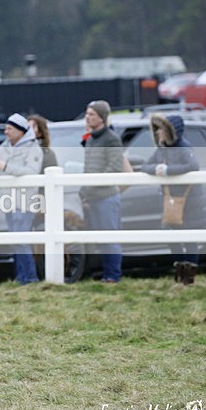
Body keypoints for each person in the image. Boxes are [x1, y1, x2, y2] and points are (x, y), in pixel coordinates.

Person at [142, 114, 206, 285]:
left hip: (190, 202)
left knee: (190, 239)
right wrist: (157, 169)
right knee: (172, 236)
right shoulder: (162, 149)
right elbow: (145, 166)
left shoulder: (184, 147)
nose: (158, 133)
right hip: (171, 202)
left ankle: (188, 277)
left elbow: (192, 166)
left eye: (161, 130)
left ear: (170, 131)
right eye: (157, 130)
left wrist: (167, 170)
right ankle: (181, 271)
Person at [0, 113, 43, 284]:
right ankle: (21, 277)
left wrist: (5, 166)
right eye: (6, 128)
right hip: (8, 201)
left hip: (24, 202)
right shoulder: (3, 147)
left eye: (9, 128)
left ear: (20, 131)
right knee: (15, 240)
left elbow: (31, 172)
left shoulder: (34, 148)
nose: (6, 132)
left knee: (21, 240)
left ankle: (30, 278)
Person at [79, 100, 124, 284]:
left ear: (102, 118)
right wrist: (84, 192)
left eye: (92, 114)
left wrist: (91, 185)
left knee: (110, 237)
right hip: (93, 197)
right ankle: (106, 273)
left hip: (107, 196)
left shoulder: (112, 139)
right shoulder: (90, 140)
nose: (87, 117)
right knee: (101, 238)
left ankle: (113, 275)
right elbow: (88, 168)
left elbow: (115, 167)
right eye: (87, 114)